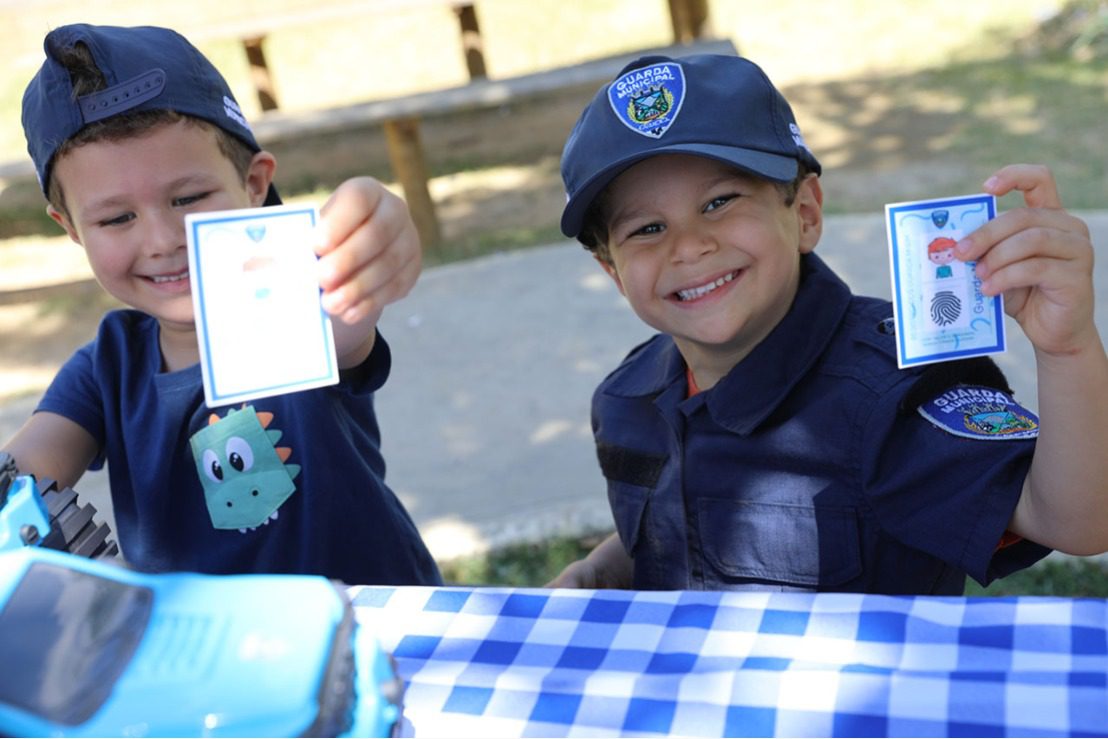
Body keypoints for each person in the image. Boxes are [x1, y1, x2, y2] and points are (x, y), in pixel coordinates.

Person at [549, 53, 1108, 593]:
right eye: (647, 229)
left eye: (719, 202)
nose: (689, 246)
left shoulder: (893, 396)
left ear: (805, 214)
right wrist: (599, 571)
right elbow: (676, 517)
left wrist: (1067, 350)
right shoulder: (626, 398)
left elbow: (1078, 522)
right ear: (613, 271)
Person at [2, 23, 442, 586]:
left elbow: (345, 319)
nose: (163, 240)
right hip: (201, 640)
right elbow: (24, 472)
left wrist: (370, 231)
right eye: (116, 218)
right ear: (71, 229)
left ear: (254, 184)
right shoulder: (106, 366)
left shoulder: (295, 307)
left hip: (369, 621)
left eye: (188, 197)